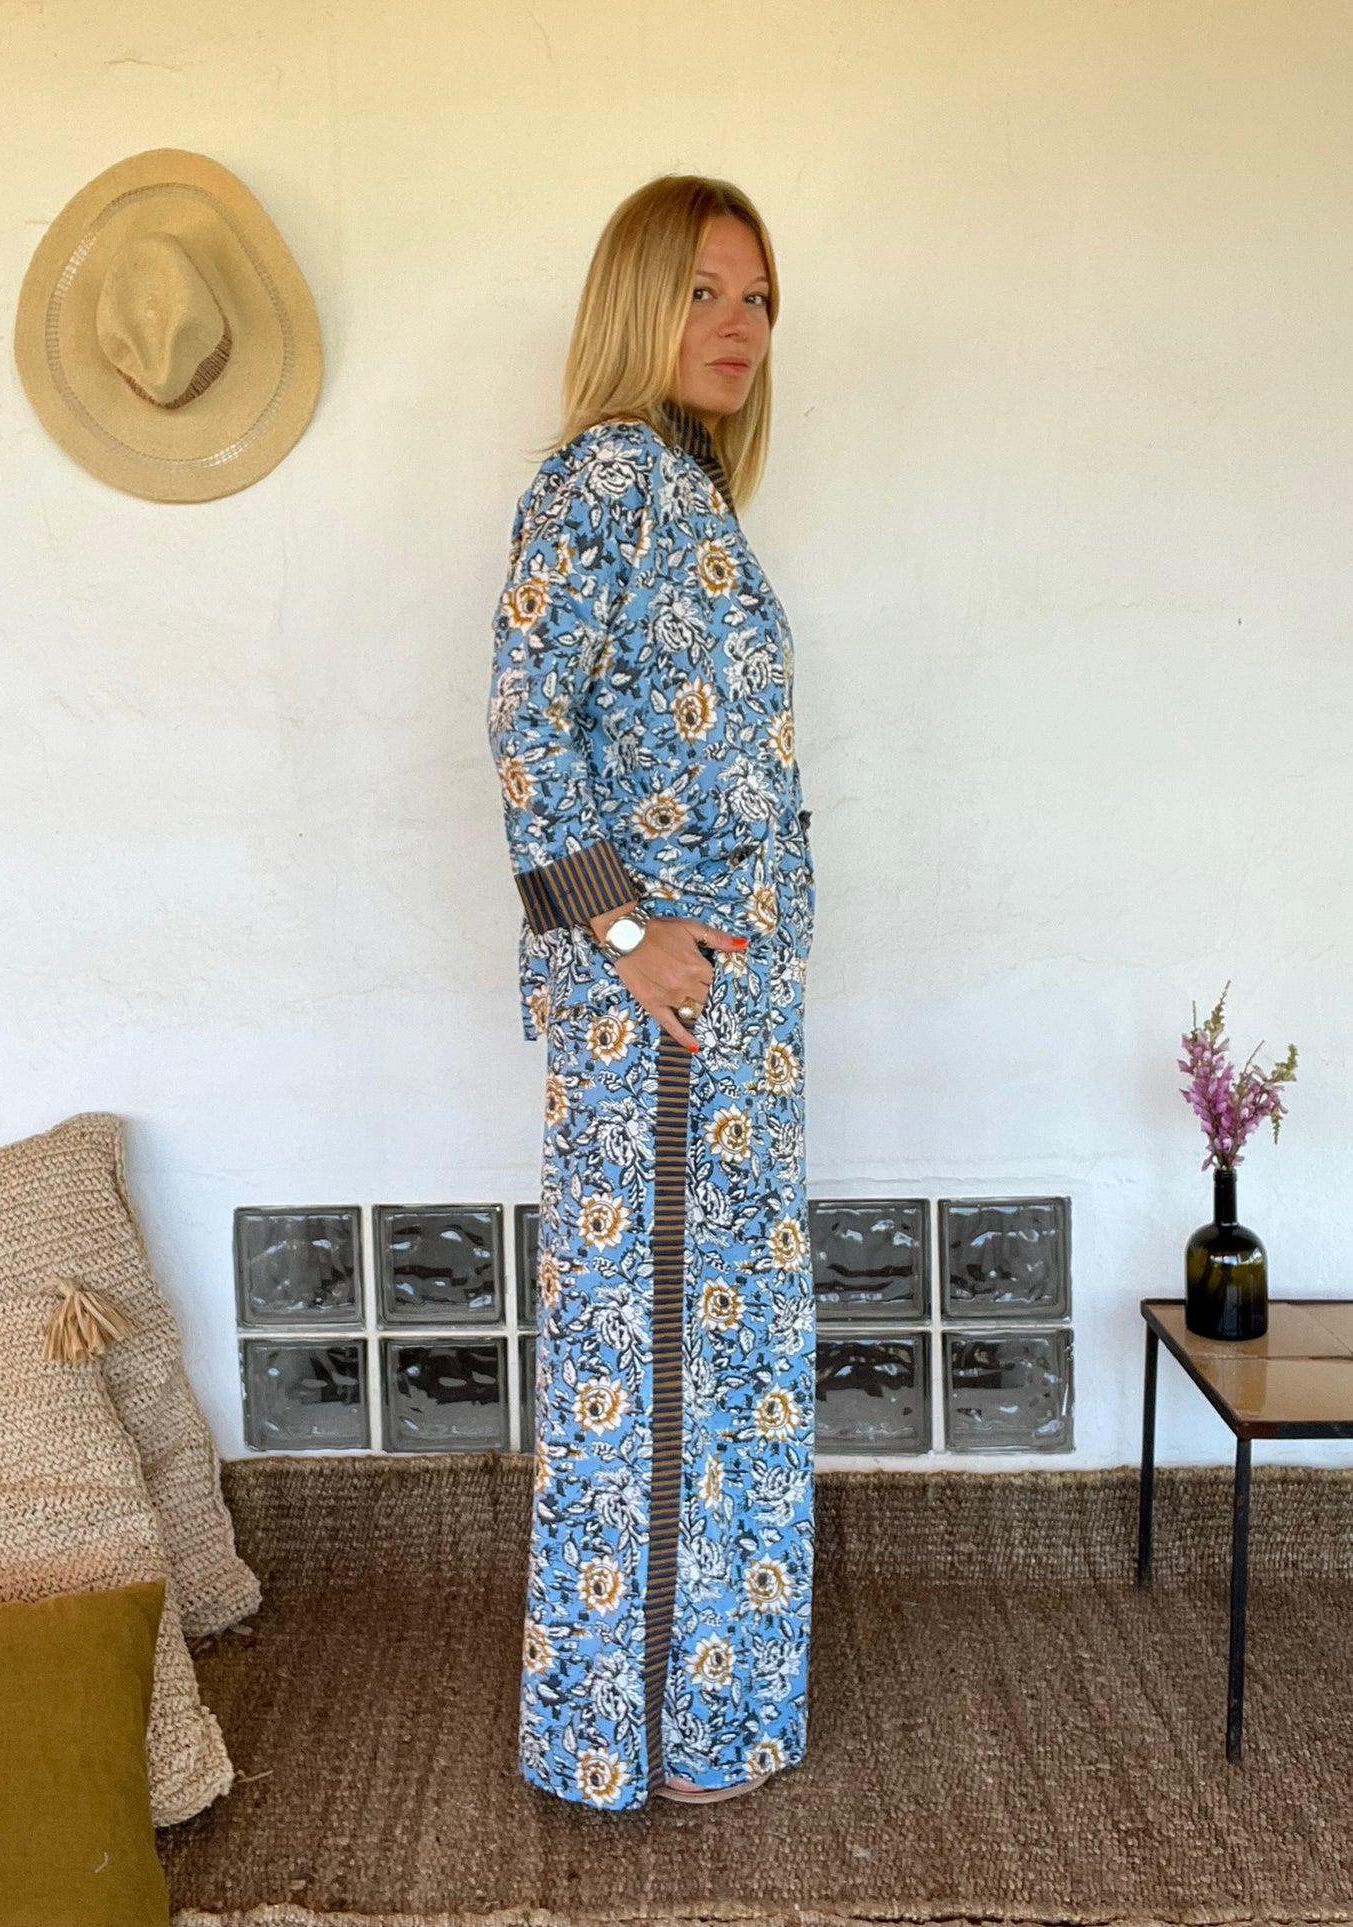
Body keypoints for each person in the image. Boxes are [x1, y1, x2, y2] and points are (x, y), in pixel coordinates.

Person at [487, 173, 815, 1811]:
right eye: (700, 291)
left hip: (723, 1019)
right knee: (666, 1357)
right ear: (634, 304)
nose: (736, 325)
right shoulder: (607, 476)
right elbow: (523, 720)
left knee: (720, 1349)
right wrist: (625, 937)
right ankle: (643, 1738)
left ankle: (705, 1714)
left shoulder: (684, 492)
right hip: (662, 1024)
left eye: (755, 298)